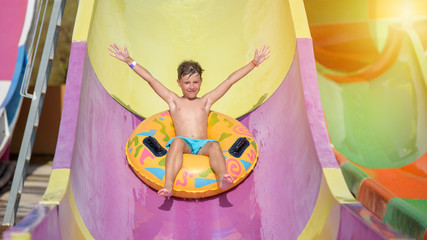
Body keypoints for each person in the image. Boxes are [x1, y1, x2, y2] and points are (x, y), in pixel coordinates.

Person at [108, 43, 270, 198]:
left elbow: (230, 81)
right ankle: (168, 185)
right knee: (177, 141)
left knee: (214, 145)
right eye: (187, 83)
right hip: (184, 143)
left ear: (201, 82)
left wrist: (254, 63)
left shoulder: (205, 101)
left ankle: (223, 178)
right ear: (179, 83)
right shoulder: (174, 101)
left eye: (195, 82)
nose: (192, 86)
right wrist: (129, 60)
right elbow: (150, 79)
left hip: (202, 145)